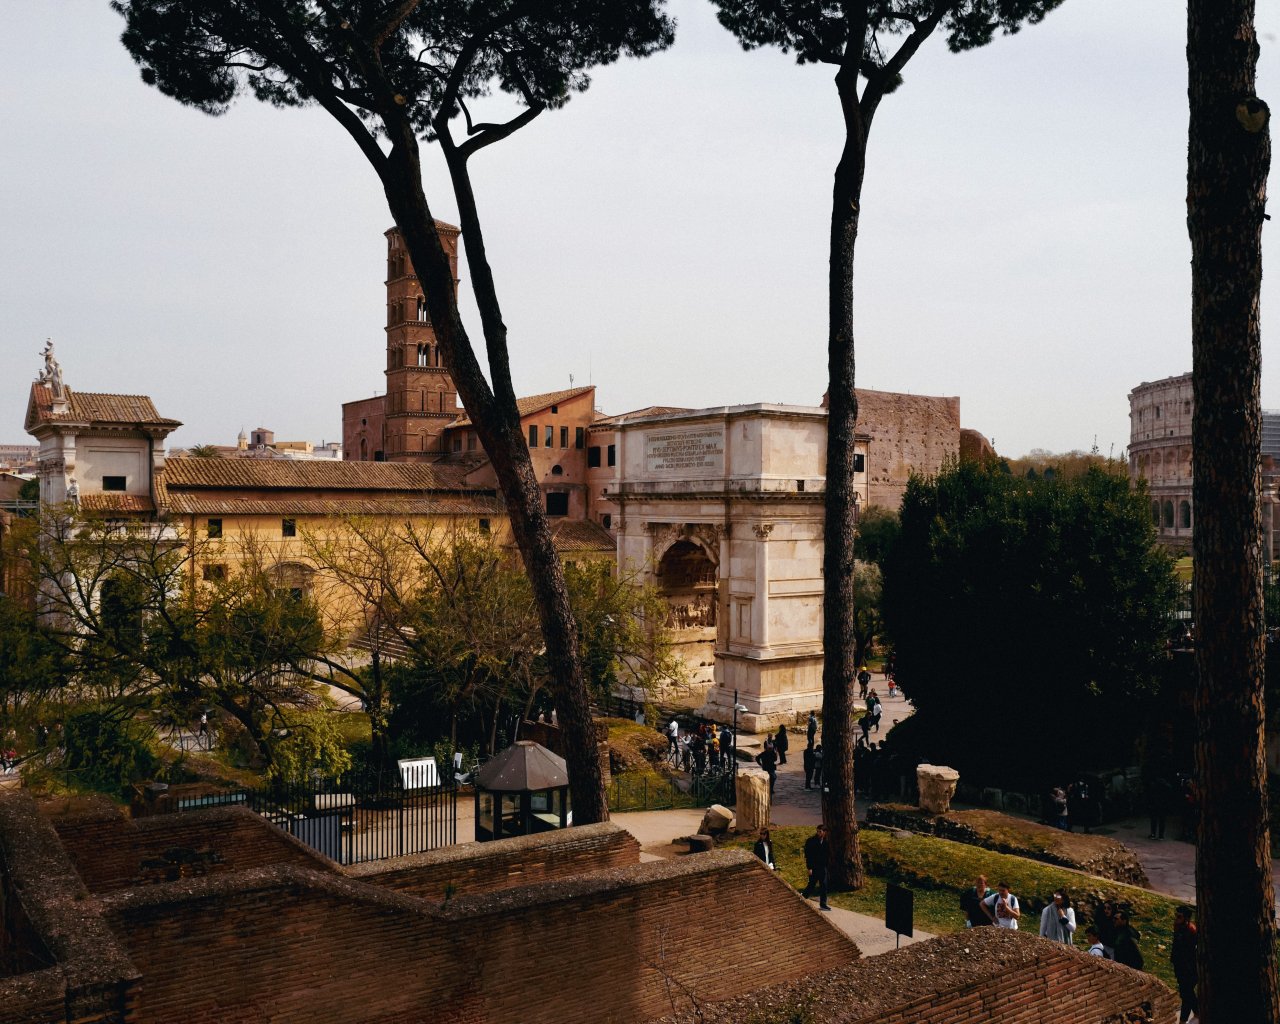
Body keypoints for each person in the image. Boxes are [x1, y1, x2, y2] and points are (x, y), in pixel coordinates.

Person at [1171, 905, 1198, 1023]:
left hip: (1189, 969)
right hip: (1181, 967)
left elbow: (1189, 952)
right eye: (1176, 915)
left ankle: (1184, 1019)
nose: (1176, 918)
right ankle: (1197, 1012)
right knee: (1187, 993)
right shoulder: (1179, 928)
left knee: (1186, 994)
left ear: (1186, 918)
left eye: (1179, 916)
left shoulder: (1190, 931)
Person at [801, 823, 831, 910]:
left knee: (824, 885)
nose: (818, 833)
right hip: (814, 867)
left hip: (823, 868)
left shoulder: (826, 842)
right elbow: (808, 856)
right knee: (811, 885)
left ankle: (823, 904)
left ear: (824, 832)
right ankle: (802, 899)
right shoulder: (811, 841)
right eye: (817, 831)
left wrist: (826, 866)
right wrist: (809, 868)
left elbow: (827, 855)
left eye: (820, 831)